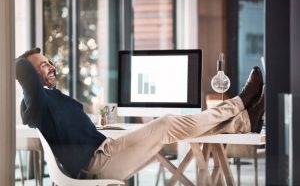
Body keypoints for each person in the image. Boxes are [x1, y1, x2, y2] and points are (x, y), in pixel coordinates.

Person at [16, 47, 265, 180]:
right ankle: (240, 104)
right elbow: (20, 68)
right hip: (98, 163)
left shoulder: (51, 97)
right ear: (30, 76)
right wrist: (23, 61)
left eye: (50, 61)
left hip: (106, 150)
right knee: (166, 123)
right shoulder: (35, 102)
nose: (51, 66)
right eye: (43, 64)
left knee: (172, 124)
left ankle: (243, 120)